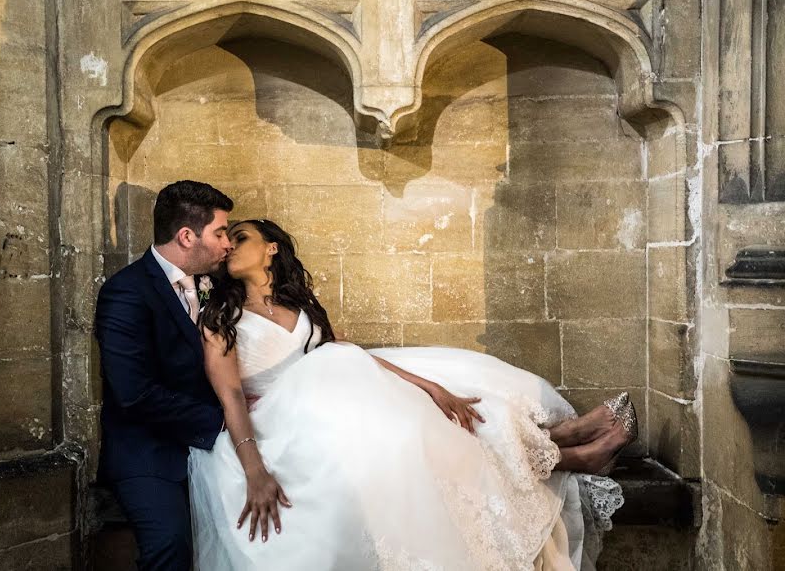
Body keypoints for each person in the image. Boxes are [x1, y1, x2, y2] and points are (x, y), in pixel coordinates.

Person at [189, 219, 637, 570]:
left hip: (343, 396)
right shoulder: (221, 316)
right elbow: (229, 395)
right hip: (289, 423)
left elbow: (350, 356)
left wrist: (431, 387)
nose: (229, 245)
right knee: (411, 438)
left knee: (450, 407)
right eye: (226, 237)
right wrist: (254, 469)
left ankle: (564, 438)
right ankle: (570, 455)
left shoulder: (300, 303)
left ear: (271, 248)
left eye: (240, 236)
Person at [94, 181, 234, 570]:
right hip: (150, 452)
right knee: (171, 547)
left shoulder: (216, 283)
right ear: (187, 236)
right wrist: (222, 420)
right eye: (220, 232)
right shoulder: (126, 292)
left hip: (212, 447)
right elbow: (133, 393)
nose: (228, 243)